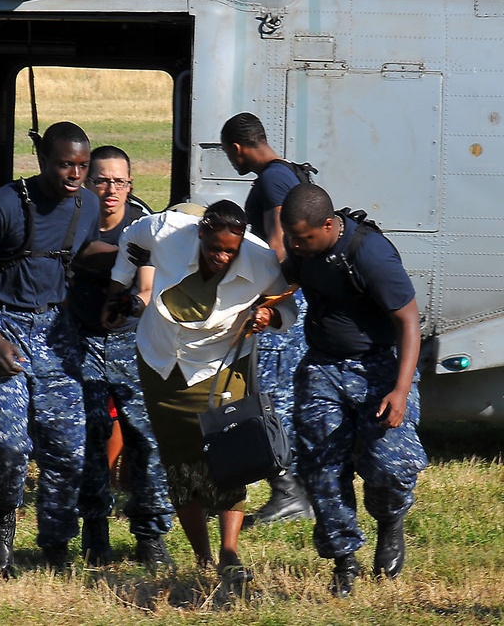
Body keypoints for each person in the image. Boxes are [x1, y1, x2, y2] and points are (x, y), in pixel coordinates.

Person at [105, 201, 295, 581]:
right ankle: (203, 558)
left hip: (218, 366)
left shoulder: (260, 261)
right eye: (214, 248)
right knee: (181, 464)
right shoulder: (168, 231)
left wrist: (267, 315)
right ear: (200, 234)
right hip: (160, 362)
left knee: (229, 459)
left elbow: (286, 309)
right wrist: (118, 284)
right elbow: (130, 237)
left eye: (231, 249)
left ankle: (229, 554)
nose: (222, 256)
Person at [0, 121, 113, 575]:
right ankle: (0, 534)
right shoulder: (5, 204)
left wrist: (129, 258)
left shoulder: (85, 205)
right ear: (44, 159)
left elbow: (76, 254)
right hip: (2, 324)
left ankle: (56, 545)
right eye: (66, 164)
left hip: (56, 329)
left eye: (83, 166)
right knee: (7, 445)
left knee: (67, 448)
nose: (75, 174)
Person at [279, 184, 427, 597]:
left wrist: (399, 390)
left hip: (378, 367)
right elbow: (286, 278)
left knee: (392, 465)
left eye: (303, 238)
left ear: (328, 226)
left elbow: (409, 321)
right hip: (323, 366)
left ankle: (389, 519)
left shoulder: (369, 254)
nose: (295, 246)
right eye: (290, 237)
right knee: (321, 467)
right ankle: (344, 560)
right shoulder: (304, 249)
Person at [68, 146, 173, 566]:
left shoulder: (141, 223)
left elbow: (145, 288)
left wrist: (132, 303)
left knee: (146, 439)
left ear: (131, 185)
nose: (112, 190)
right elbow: (77, 256)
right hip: (81, 342)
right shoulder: (73, 217)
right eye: (102, 180)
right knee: (90, 440)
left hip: (134, 344)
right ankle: (95, 532)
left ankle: (150, 533)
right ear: (88, 182)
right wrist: (125, 253)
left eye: (120, 181)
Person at [220, 112, 314, 525]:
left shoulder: (273, 180)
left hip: (277, 303)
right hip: (283, 300)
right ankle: (298, 490)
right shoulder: (290, 172)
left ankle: (290, 492)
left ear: (237, 148)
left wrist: (257, 297)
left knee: (266, 398)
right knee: (268, 396)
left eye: (229, 154)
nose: (231, 161)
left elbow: (279, 247)